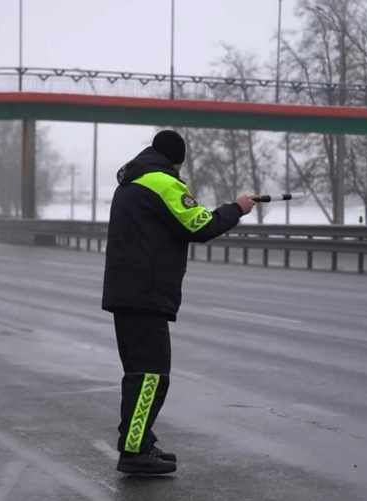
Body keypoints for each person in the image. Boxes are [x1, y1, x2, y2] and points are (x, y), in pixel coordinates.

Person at [102, 130, 255, 474]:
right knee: (152, 375)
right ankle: (134, 450)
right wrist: (237, 208)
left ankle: (140, 439)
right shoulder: (163, 183)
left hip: (128, 292)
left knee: (140, 373)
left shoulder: (132, 180)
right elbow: (200, 225)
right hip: (146, 294)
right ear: (176, 160)